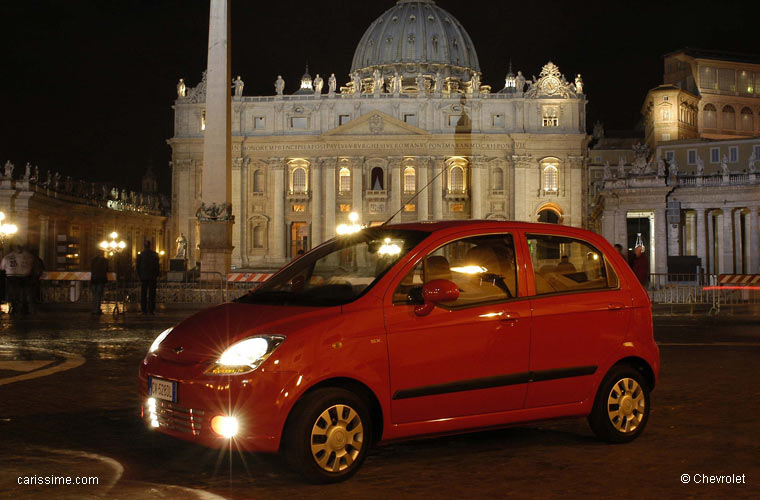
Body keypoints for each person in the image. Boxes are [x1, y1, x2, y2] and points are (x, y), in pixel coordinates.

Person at [1, 245, 33, 314]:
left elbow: (2, 268)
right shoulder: (28, 256)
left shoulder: (7, 257)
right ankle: (24, 309)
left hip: (12, 277)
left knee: (14, 293)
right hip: (24, 276)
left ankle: (15, 308)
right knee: (24, 293)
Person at [137, 240, 160, 314]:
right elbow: (157, 266)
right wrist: (157, 275)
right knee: (152, 294)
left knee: (143, 293)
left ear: (144, 246)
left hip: (143, 276)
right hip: (152, 276)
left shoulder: (141, 255)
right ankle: (151, 309)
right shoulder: (155, 254)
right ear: (150, 246)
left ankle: (143, 309)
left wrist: (139, 275)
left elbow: (138, 266)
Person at [90, 251, 109, 315]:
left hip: (94, 279)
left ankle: (94, 309)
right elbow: (106, 269)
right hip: (100, 280)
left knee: (94, 295)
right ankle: (97, 309)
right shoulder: (105, 260)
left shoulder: (93, 260)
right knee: (98, 295)